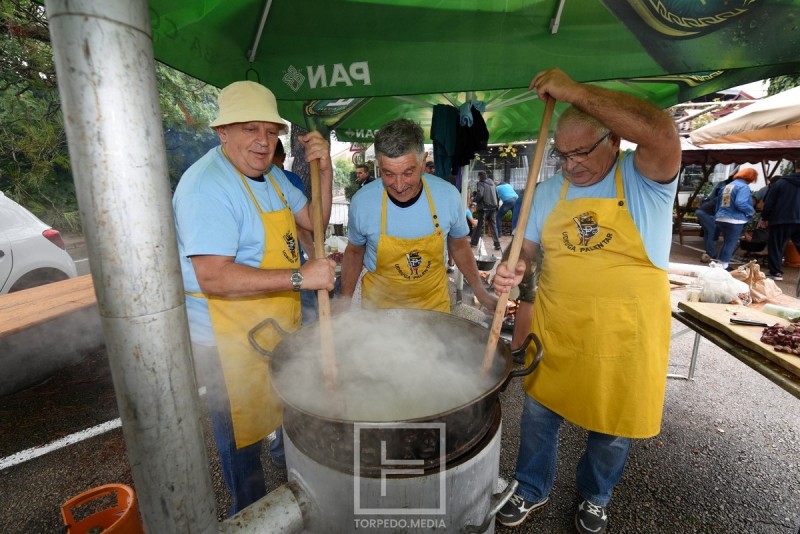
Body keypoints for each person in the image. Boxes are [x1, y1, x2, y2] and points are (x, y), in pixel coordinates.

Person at [492, 68, 681, 533]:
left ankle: (596, 495)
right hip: (560, 332)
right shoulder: (547, 192)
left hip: (624, 339)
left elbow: (661, 131)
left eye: (582, 153)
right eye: (562, 155)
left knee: (611, 431)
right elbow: (527, 252)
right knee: (537, 418)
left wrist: (575, 92)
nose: (572, 165)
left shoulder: (646, 182)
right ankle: (531, 486)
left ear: (614, 141)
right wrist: (513, 267)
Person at [172, 80, 336, 516]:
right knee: (242, 437)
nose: (263, 142)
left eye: (270, 131)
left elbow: (315, 220)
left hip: (276, 323)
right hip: (224, 337)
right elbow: (214, 277)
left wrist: (324, 168)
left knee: (289, 413)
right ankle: (250, 514)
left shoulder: (277, 177)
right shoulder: (207, 188)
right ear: (222, 132)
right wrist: (302, 276)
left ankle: (296, 496)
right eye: (249, 129)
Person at [339, 118, 497, 312]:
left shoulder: (447, 196)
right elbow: (354, 252)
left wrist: (480, 292)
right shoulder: (362, 202)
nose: (398, 185)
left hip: (434, 307)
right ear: (378, 165)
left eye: (408, 173)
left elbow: (459, 245)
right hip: (379, 314)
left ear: (423, 162)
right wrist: (343, 304)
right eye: (388, 174)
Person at [272, 139, 319, 325]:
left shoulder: (289, 180)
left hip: (296, 264)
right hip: (278, 271)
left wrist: (314, 258)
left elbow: (303, 224)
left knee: (307, 322)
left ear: (283, 159)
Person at [758, 166, 800, 281]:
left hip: (780, 219)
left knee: (776, 246)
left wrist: (764, 218)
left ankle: (775, 272)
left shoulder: (781, 183)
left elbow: (769, 202)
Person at [714, 168, 757, 271]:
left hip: (721, 217)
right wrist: (751, 211)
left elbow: (718, 202)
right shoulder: (743, 187)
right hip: (735, 219)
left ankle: (720, 265)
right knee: (730, 243)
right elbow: (740, 203)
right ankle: (724, 266)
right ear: (751, 178)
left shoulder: (727, 186)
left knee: (726, 242)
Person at [695, 174, 734, 263]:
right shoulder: (727, 195)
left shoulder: (723, 191)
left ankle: (708, 252)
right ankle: (711, 253)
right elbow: (722, 208)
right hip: (707, 213)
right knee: (713, 233)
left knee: (708, 232)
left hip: (702, 210)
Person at [470, 171, 502, 251]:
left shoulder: (481, 183)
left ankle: (474, 243)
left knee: (480, 226)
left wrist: (474, 200)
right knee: (493, 226)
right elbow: (497, 195)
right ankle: (497, 244)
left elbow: (480, 194)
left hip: (484, 207)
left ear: (480, 176)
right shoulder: (492, 183)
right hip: (493, 207)